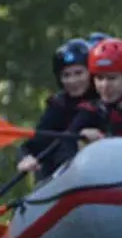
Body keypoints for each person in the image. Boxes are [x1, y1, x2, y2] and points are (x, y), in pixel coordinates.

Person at [17, 39, 95, 178]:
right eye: (66, 75)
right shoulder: (58, 106)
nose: (72, 81)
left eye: (78, 73)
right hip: (64, 179)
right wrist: (27, 158)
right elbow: (32, 145)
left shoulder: (106, 101)